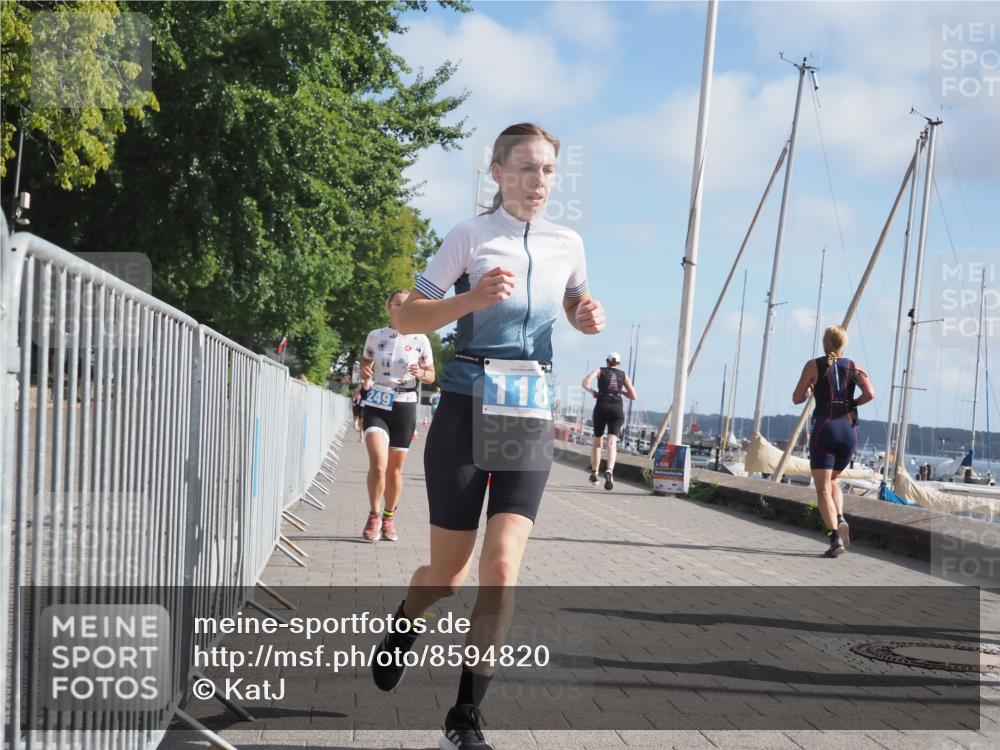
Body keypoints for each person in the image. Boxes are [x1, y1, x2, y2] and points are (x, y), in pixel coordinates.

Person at [370, 123, 604, 750]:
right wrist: (469, 300)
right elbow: (406, 315)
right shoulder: (470, 237)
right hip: (465, 410)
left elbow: (579, 305)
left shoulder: (568, 244)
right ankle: (405, 621)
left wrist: (587, 317)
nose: (538, 181)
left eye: (548, 171)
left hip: (527, 412)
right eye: (525, 168)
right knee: (449, 576)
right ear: (497, 173)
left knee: (501, 568)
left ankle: (464, 717)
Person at [359, 290, 435, 542]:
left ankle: (389, 517)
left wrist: (420, 374)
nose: (403, 308)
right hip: (378, 401)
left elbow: (431, 375)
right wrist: (366, 372)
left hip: (405, 403)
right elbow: (365, 361)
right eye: (399, 304)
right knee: (378, 465)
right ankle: (374, 515)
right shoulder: (375, 335)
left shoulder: (421, 339)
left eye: (408, 304)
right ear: (389, 306)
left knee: (394, 471)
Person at [792, 325, 874, 558]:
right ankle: (839, 517)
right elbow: (870, 394)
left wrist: (809, 390)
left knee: (822, 488)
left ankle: (834, 537)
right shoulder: (854, 366)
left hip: (824, 429)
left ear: (824, 343)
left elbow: (797, 397)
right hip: (848, 430)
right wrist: (852, 404)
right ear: (843, 344)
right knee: (833, 479)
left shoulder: (813, 365)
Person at [581, 353, 637, 490]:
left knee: (597, 442)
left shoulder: (599, 370)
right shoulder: (623, 375)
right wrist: (621, 392)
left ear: (607, 362)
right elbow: (633, 396)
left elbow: (584, 383)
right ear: (619, 363)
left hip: (602, 406)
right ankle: (609, 470)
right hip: (616, 409)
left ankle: (594, 473)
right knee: (611, 443)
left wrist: (593, 392)